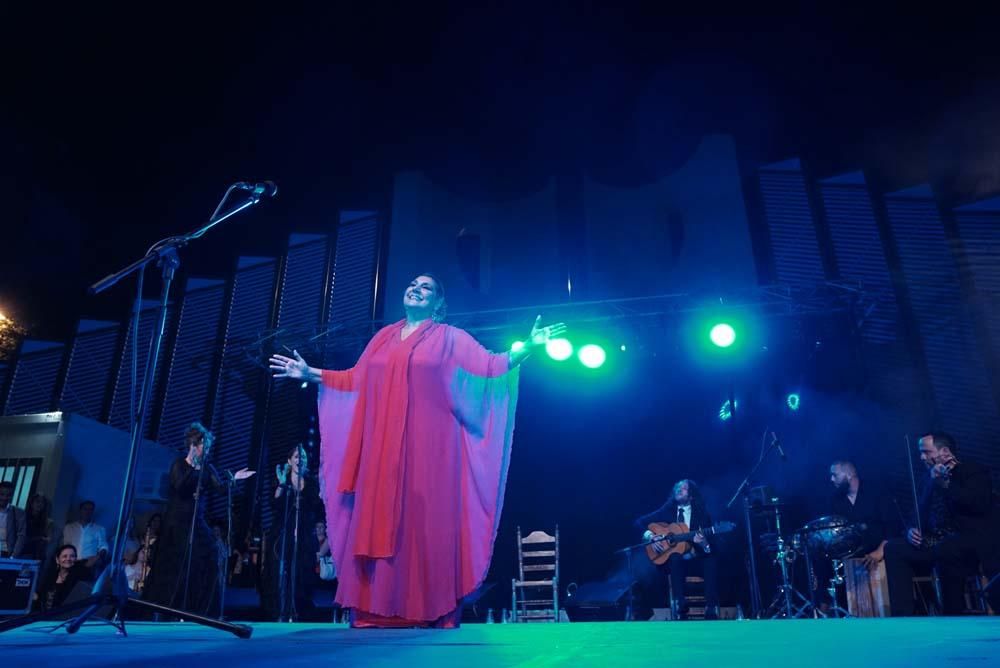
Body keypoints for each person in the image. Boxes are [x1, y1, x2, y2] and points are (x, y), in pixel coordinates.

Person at [269, 273, 565, 628]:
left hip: (431, 449)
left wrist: (529, 345)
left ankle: (427, 607)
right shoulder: (382, 338)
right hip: (382, 450)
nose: (416, 288)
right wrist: (310, 372)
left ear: (438, 303)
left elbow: (492, 364)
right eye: (413, 284)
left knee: (422, 525)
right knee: (381, 519)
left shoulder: (450, 338)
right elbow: (355, 378)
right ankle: (378, 610)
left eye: (426, 287)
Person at [142, 423, 250, 615]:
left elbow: (220, 489)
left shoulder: (207, 468)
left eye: (208, 446)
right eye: (204, 445)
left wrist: (235, 479)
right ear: (194, 444)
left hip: (196, 520)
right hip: (177, 521)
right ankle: (170, 607)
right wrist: (193, 466)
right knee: (177, 563)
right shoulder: (178, 464)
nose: (207, 449)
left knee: (210, 552)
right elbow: (179, 486)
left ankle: (201, 607)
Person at [883, 432, 993, 616]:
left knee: (947, 547)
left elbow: (978, 504)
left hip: (966, 541)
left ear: (945, 452)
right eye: (920, 452)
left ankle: (953, 612)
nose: (921, 457)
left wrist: (946, 483)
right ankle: (903, 616)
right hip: (934, 542)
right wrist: (911, 530)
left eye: (926, 452)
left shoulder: (972, 471)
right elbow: (916, 514)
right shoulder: (927, 479)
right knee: (894, 548)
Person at [633, 479, 720, 620]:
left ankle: (710, 607)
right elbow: (638, 523)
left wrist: (704, 544)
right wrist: (651, 537)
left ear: (691, 495)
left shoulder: (702, 513)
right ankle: (681, 604)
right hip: (675, 565)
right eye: (677, 487)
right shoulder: (667, 510)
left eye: (684, 488)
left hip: (696, 560)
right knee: (675, 557)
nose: (679, 490)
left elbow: (712, 546)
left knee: (710, 559)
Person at [262, 445, 320, 621]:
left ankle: (300, 609)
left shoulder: (311, 482)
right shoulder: (283, 479)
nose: (299, 460)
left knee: (302, 570)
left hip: (303, 532)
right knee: (280, 568)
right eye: (296, 457)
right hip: (282, 531)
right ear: (289, 461)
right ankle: (279, 609)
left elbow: (316, 506)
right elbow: (273, 504)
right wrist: (280, 485)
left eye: (302, 457)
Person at [828, 460, 896, 568]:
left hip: (884, 557)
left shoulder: (876, 492)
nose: (831, 479)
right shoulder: (835, 501)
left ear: (849, 475)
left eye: (835, 475)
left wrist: (879, 552)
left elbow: (892, 527)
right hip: (853, 563)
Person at [34, 544, 88, 613]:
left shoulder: (79, 578)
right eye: (64, 556)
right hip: (45, 617)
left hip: (64, 618)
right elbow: (41, 597)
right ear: (57, 560)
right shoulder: (50, 576)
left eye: (72, 556)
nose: (68, 559)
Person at [61, 500, 109, 577]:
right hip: (71, 563)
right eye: (85, 509)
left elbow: (104, 547)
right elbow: (66, 545)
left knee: (82, 587)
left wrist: (96, 558)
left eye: (90, 510)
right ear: (80, 510)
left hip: (88, 565)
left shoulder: (99, 529)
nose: (87, 512)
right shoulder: (69, 527)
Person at [0, 481, 26, 558]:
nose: (4, 498)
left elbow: (21, 536)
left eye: (8, 495)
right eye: (1, 494)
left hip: (6, 553)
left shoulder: (18, 513)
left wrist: (13, 556)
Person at [24, 493, 53, 562]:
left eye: (42, 502)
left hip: (36, 551)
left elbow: (49, 538)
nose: (39, 504)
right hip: (22, 549)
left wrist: (41, 538)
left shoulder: (47, 521)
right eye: (37, 501)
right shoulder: (23, 517)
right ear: (32, 503)